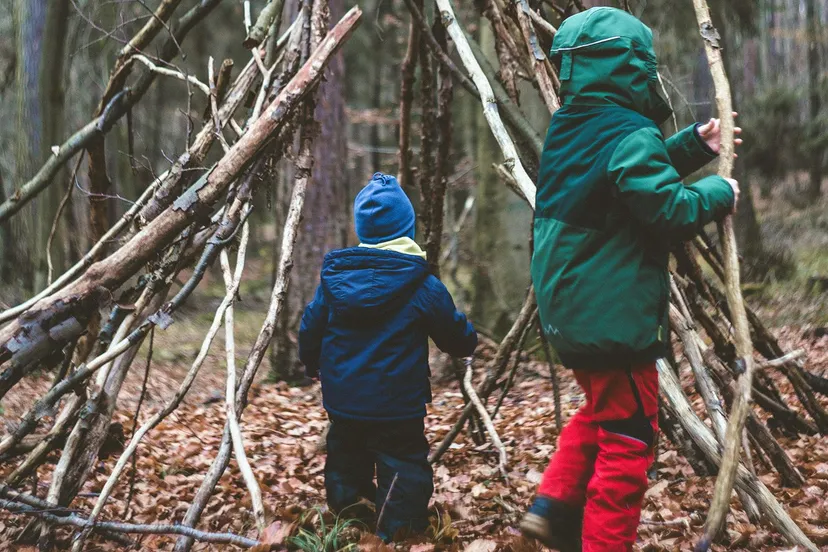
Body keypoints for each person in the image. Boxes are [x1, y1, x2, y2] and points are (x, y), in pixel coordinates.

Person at [521, 7, 741, 552]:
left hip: (572, 312)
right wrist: (720, 193)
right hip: (612, 317)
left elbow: (626, 182)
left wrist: (693, 145)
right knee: (629, 437)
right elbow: (665, 209)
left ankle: (551, 508)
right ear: (632, 68)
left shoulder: (571, 130)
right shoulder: (629, 132)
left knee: (602, 414)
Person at [298, 172, 478, 541]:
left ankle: (349, 527)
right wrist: (467, 341)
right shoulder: (422, 284)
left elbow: (310, 327)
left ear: (363, 229)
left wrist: (311, 362)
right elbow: (454, 335)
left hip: (344, 400)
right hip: (399, 405)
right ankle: (401, 535)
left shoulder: (335, 282)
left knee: (346, 463)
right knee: (403, 467)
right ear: (407, 228)